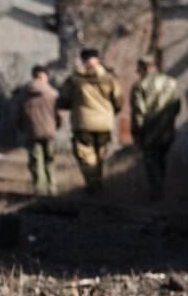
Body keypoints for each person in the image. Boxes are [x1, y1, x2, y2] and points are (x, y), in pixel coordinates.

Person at [59, 48, 122, 195]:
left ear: (82, 60)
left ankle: (92, 185)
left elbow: (64, 100)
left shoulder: (74, 79)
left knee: (86, 156)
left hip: (82, 123)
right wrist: (109, 112)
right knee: (100, 155)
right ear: (98, 59)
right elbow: (118, 101)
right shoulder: (109, 78)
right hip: (105, 123)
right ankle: (98, 183)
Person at [130, 56, 181, 201]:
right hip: (166, 128)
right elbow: (177, 106)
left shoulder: (140, 85)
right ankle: (160, 189)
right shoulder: (171, 82)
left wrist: (137, 131)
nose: (137, 71)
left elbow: (138, 111)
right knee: (161, 159)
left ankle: (157, 192)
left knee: (151, 160)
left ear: (144, 67)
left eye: (138, 68)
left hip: (149, 129)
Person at [17, 65, 61, 196]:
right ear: (45, 76)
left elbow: (17, 114)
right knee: (50, 161)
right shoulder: (53, 93)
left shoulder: (24, 94)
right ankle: (52, 188)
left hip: (32, 132)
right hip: (49, 132)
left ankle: (39, 189)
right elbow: (58, 115)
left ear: (34, 76)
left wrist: (22, 128)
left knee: (36, 161)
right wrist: (56, 126)